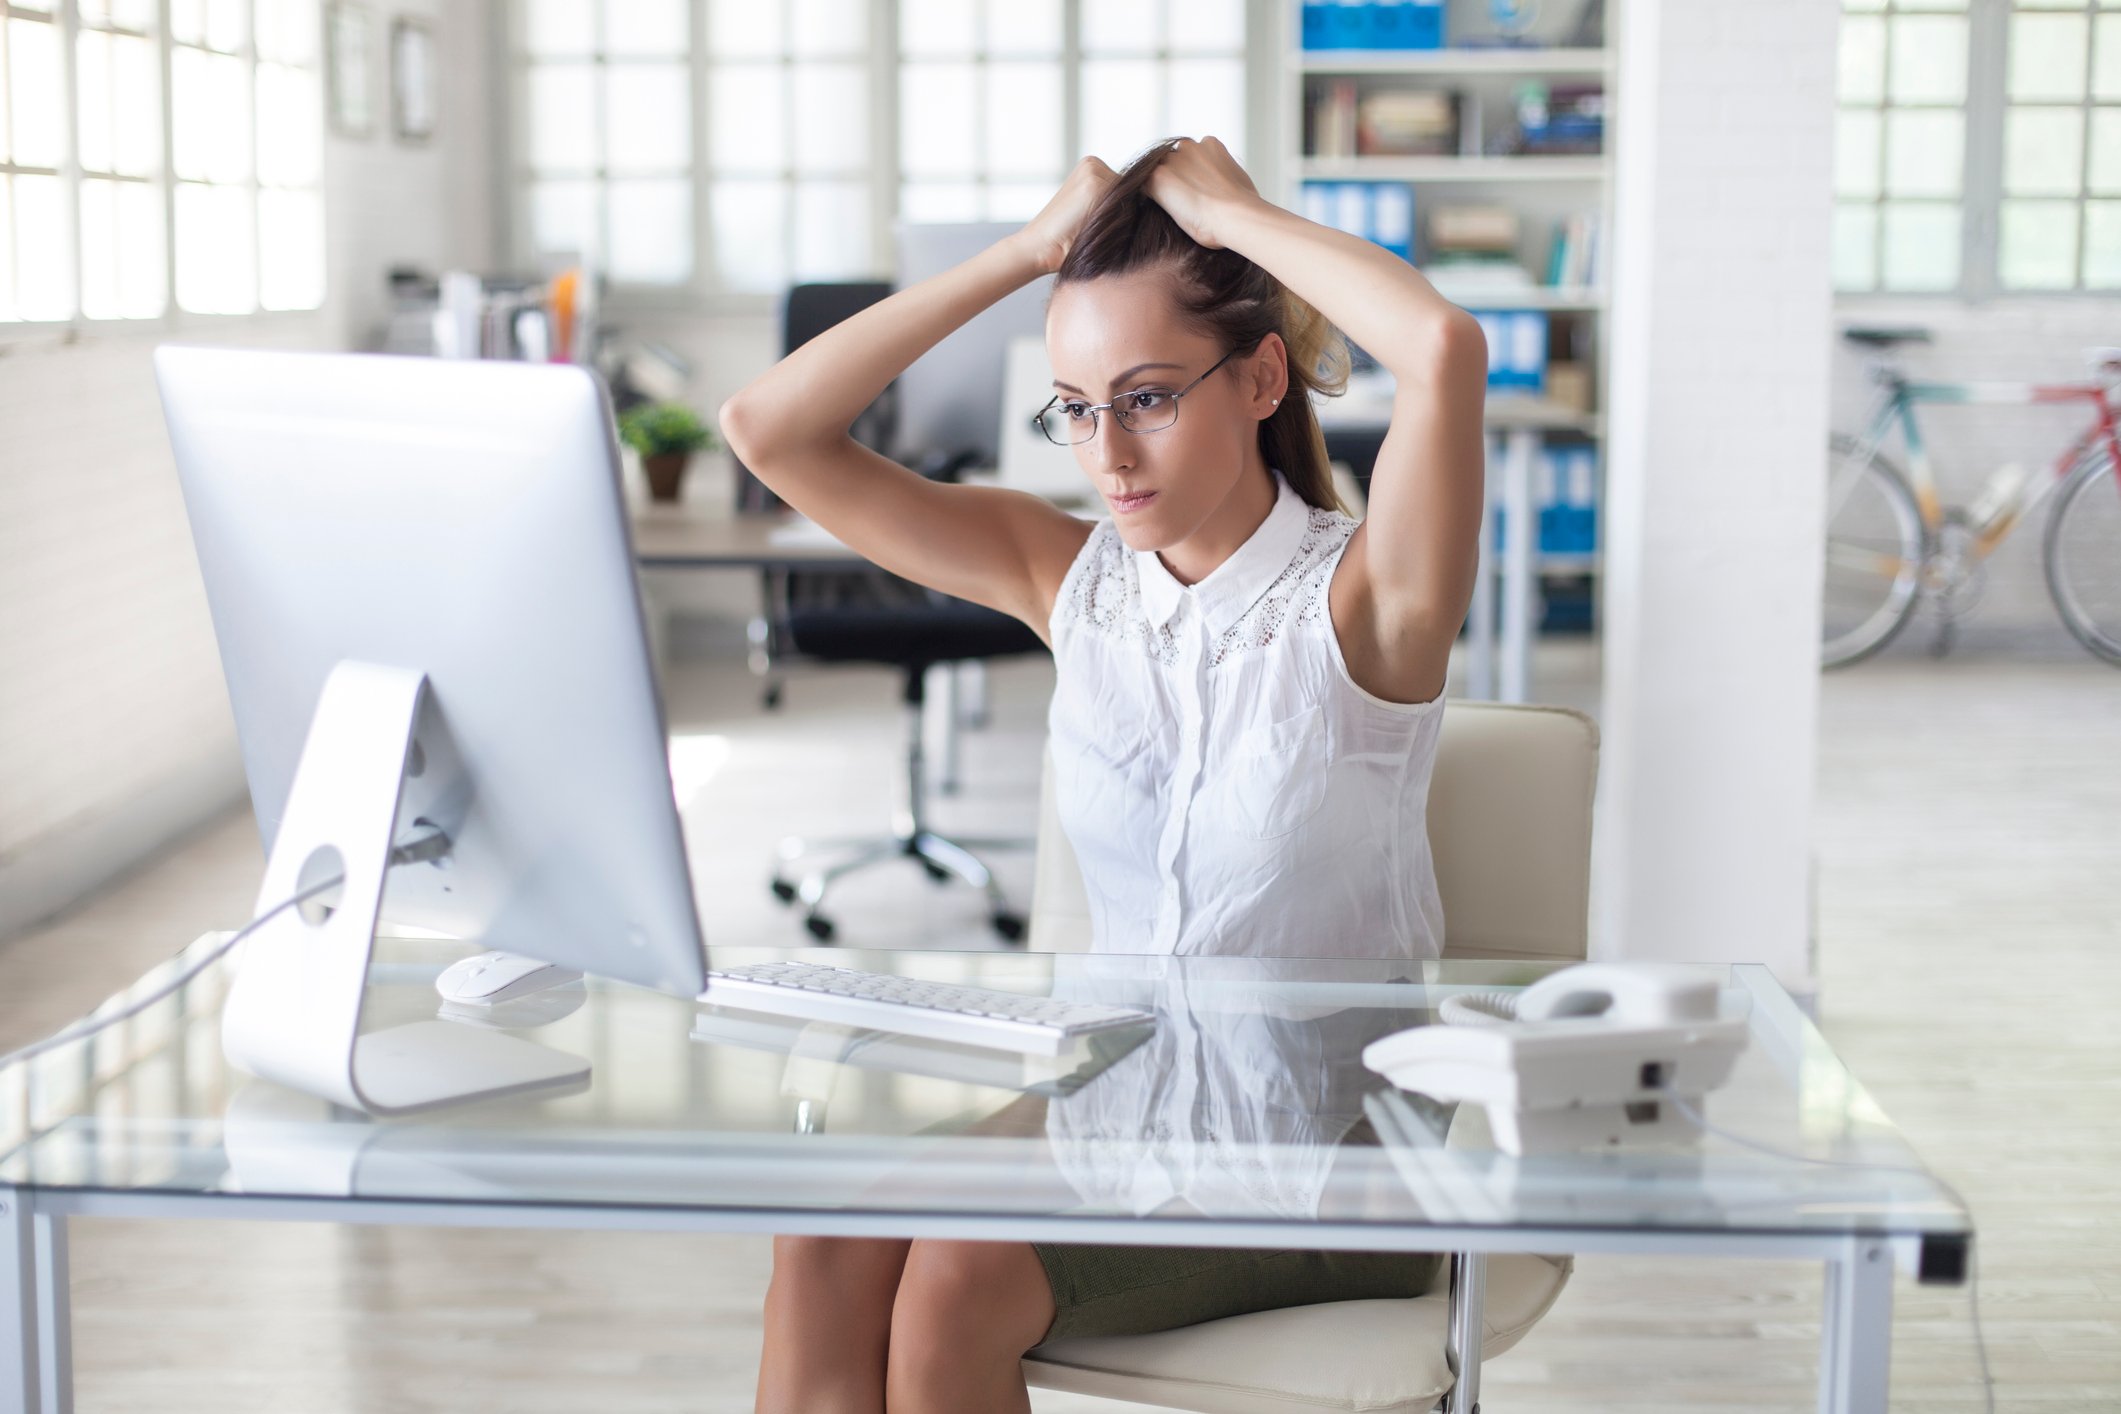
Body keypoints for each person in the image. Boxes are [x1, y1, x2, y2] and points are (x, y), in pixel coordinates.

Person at [720, 135, 1486, 1414]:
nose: (1108, 454)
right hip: (1114, 1115)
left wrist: (1232, 217)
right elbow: (768, 429)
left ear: (1260, 379)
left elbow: (1443, 348)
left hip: (1328, 1159)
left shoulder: (1366, 602)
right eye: (1075, 407)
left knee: (954, 1281)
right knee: (825, 1238)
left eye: (1147, 399)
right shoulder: (1071, 580)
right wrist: (1026, 253)